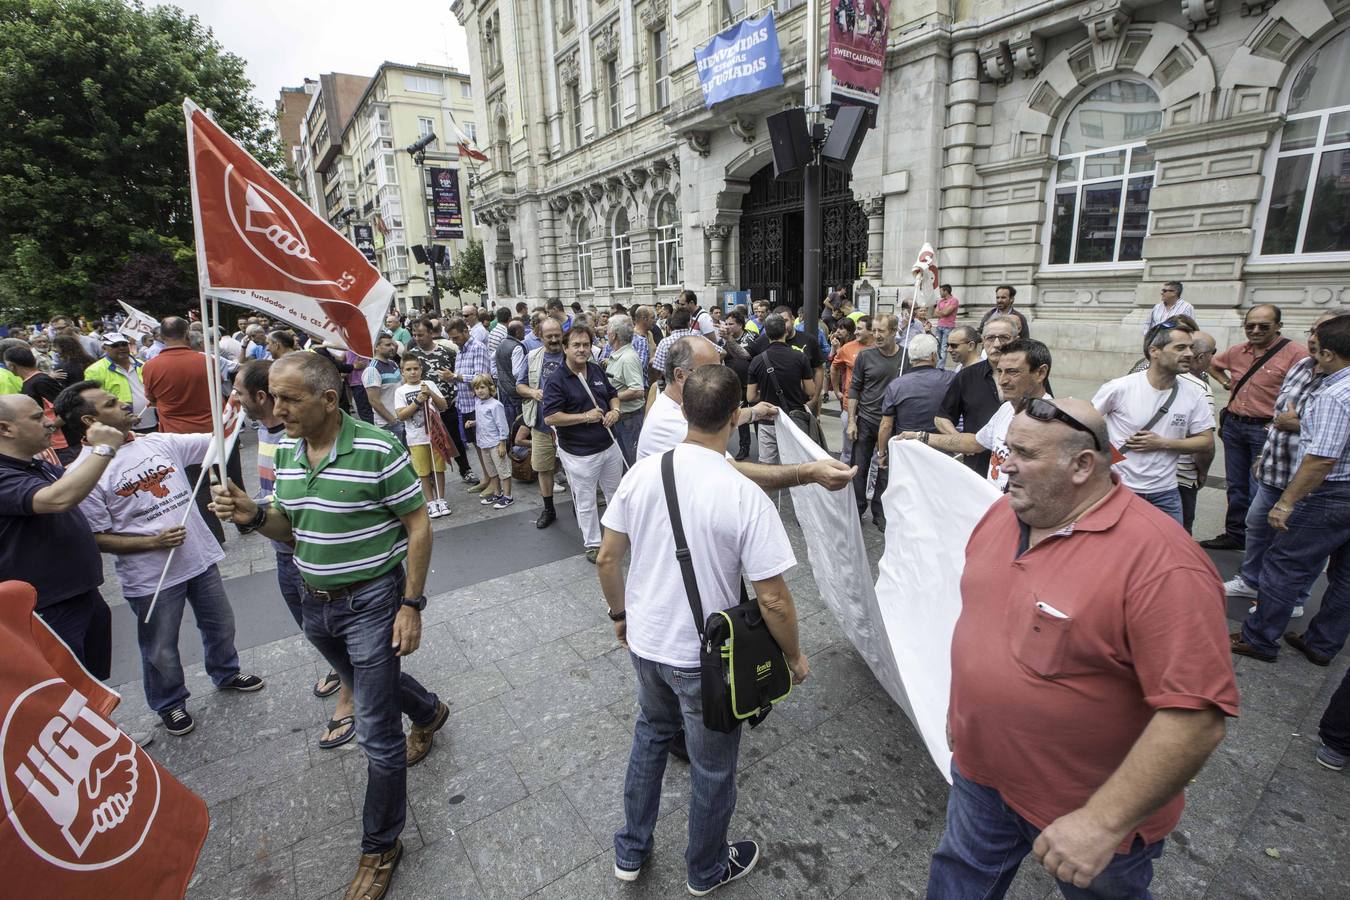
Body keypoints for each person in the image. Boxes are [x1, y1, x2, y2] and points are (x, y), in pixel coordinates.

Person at [928, 397, 1237, 899]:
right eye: (1008, 449)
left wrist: (1102, 822)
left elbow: (1197, 716)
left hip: (1082, 807)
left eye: (1025, 454)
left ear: (1082, 465)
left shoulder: (1164, 564)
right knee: (958, 875)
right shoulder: (1002, 514)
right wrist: (962, 710)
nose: (1006, 465)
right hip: (980, 776)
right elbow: (984, 622)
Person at [211, 351, 447, 900]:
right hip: (313, 602)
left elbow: (418, 525)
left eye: (289, 398)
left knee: (376, 730)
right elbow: (289, 529)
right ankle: (431, 711)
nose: (276, 407)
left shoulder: (376, 447)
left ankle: (381, 844)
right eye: (272, 396)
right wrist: (251, 514)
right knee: (371, 683)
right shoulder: (287, 450)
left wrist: (411, 604)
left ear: (328, 399)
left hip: (373, 600)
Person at [598, 364, 809, 895]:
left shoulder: (642, 473)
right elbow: (774, 599)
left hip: (646, 642)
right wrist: (796, 658)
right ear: (735, 416)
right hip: (703, 660)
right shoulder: (740, 492)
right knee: (713, 770)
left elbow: (607, 558)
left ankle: (630, 851)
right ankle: (705, 868)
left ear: (683, 409)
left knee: (649, 737)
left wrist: (621, 618)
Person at [56, 381, 263, 737]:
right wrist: (152, 542)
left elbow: (218, 442)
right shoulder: (80, 473)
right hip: (150, 577)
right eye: (110, 402)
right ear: (91, 420)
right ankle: (170, 702)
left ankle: (226, 672)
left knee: (220, 625)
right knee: (160, 646)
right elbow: (95, 538)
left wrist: (237, 399)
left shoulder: (157, 442)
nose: (123, 403)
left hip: (198, 560)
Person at [233, 359, 354, 749]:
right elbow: (280, 510)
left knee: (342, 633)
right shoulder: (280, 439)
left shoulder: (321, 440)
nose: (234, 399)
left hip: (314, 553)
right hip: (285, 547)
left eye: (239, 392)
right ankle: (347, 670)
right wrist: (254, 516)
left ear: (261, 396)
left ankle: (354, 695)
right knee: (314, 626)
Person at [1232, 314, 1350, 666]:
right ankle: (1322, 643)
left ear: (1328, 354)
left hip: (1330, 493)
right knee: (1345, 576)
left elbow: (1321, 458)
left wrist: (1286, 502)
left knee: (1285, 564)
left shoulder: (1335, 394)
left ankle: (1260, 638)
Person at [0, 394, 121, 681]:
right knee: (70, 688)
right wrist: (103, 449)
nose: (49, 423)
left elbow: (71, 480)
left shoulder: (34, 463)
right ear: (5, 429)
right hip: (47, 609)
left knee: (92, 684)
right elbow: (58, 498)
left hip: (81, 594)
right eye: (36, 418)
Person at [638, 336, 853, 493]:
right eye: (711, 372)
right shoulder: (670, 420)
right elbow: (734, 471)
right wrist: (807, 472)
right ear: (680, 375)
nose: (720, 378)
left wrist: (753, 413)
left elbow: (712, 421)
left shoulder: (677, 405)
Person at [1200, 304, 1309, 550]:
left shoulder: (1296, 354)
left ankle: (1256, 542)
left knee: (1259, 488)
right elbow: (1212, 364)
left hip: (1267, 430)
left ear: (1278, 326)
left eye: (1263, 326)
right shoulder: (1238, 351)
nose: (1256, 330)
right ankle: (1235, 534)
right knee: (1236, 486)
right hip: (1236, 426)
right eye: (1250, 326)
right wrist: (1226, 383)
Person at [1092, 323, 1215, 525]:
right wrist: (1108, 457)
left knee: (1171, 552)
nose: (1189, 354)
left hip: (1166, 494)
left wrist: (1163, 443)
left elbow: (1205, 441)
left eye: (1191, 348)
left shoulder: (1195, 393)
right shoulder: (1120, 388)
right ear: (1154, 351)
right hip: (1119, 490)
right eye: (1180, 348)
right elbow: (1085, 425)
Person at [143, 316, 244, 544]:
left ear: (161, 337)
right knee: (232, 476)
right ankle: (245, 521)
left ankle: (215, 535)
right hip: (216, 429)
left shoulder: (151, 366)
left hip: (180, 435)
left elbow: (151, 398)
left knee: (198, 487)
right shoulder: (206, 360)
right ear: (187, 334)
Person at [902, 339, 1051, 490]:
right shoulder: (1006, 409)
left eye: (1012, 372)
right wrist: (920, 437)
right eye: (1000, 371)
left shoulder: (1052, 423)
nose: (1002, 381)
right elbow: (975, 443)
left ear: (1040, 373)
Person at [543, 324, 625, 563]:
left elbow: (612, 394)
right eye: (576, 345)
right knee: (586, 500)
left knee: (614, 493)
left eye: (586, 345)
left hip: (609, 446)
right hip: (580, 453)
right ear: (566, 349)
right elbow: (550, 417)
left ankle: (616, 534)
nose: (582, 349)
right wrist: (584, 417)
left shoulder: (596, 369)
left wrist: (615, 411)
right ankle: (592, 544)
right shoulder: (556, 380)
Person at [935, 317, 1018, 477]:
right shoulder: (966, 376)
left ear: (1017, 340)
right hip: (977, 470)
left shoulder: (1030, 376)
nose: (997, 344)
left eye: (1004, 338)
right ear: (983, 341)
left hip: (1015, 472)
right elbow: (942, 417)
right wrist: (960, 441)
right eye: (990, 338)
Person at [875, 333, 955, 493]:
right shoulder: (951, 379)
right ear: (933, 355)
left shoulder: (896, 385)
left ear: (911, 358)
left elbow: (886, 425)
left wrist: (882, 453)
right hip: (941, 450)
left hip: (907, 452)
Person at [848, 314, 907, 527]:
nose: (876, 335)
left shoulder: (906, 358)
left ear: (893, 331)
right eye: (874, 330)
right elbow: (855, 387)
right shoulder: (865, 356)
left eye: (881, 331)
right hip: (866, 420)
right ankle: (856, 508)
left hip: (892, 424)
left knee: (885, 470)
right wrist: (852, 421)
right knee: (859, 468)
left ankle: (880, 512)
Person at [407, 318, 477, 484]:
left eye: (421, 334)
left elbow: (456, 374)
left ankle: (465, 470)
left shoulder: (447, 352)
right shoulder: (412, 356)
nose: (417, 338)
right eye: (414, 335)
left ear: (431, 333)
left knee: (456, 440)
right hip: (426, 410)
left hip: (448, 405)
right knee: (430, 443)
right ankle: (431, 476)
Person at [518, 318, 569, 529]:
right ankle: (548, 509)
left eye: (557, 335)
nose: (555, 339)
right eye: (550, 336)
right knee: (543, 469)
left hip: (569, 425)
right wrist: (533, 392)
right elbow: (519, 386)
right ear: (540, 336)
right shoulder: (532, 357)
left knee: (574, 470)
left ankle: (580, 506)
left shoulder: (572, 353)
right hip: (540, 425)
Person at [746, 315, 816, 465]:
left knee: (768, 468)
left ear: (766, 333)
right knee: (796, 467)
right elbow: (810, 391)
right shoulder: (800, 357)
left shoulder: (757, 361)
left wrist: (764, 393)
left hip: (768, 419)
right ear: (786, 331)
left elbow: (750, 397)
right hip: (793, 419)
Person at [393, 357, 451, 519]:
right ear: (402, 372)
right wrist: (417, 401)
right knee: (423, 472)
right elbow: (402, 415)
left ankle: (441, 499)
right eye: (408, 369)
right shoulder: (400, 391)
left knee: (438, 469)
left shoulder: (430, 384)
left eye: (416, 369)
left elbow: (443, 406)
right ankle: (430, 502)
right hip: (416, 438)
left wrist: (430, 392)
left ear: (421, 369)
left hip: (435, 436)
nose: (413, 372)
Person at [445, 316, 493, 492]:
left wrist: (455, 377)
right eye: (451, 338)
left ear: (466, 331)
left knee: (484, 445)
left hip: (477, 404)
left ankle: (493, 481)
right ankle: (487, 478)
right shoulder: (460, 350)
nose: (454, 341)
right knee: (475, 444)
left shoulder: (477, 348)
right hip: (464, 404)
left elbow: (481, 378)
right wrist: (451, 379)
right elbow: (460, 376)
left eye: (456, 337)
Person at [1176, 331, 1217, 534]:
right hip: (1180, 477)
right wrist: (1202, 472)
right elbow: (1204, 444)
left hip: (1135, 475)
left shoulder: (1135, 380)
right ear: (1201, 357)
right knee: (1178, 537)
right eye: (1213, 353)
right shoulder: (1200, 389)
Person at [84, 332, 157, 432]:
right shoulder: (95, 370)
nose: (121, 348)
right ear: (104, 348)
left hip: (153, 421)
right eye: (115, 346)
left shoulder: (141, 364)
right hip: (123, 427)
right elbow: (95, 403)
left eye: (124, 344)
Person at [605, 316, 646, 465]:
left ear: (614, 335)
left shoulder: (627, 358)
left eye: (607, 330)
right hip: (624, 420)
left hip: (629, 421)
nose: (606, 333)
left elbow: (637, 390)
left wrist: (611, 397)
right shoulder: (620, 355)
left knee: (631, 464)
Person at [831, 315, 873, 459]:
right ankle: (845, 480)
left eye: (859, 329)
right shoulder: (847, 348)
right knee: (848, 451)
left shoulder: (881, 348)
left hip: (873, 410)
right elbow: (834, 367)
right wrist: (836, 391)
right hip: (850, 409)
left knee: (872, 453)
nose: (855, 332)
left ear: (872, 331)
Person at [469, 373, 513, 509]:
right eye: (477, 388)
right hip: (483, 443)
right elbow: (485, 421)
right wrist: (474, 423)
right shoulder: (478, 403)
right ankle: (497, 492)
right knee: (492, 471)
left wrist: (502, 444)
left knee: (503, 471)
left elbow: (502, 425)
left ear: (490, 388)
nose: (480, 391)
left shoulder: (495, 405)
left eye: (482, 387)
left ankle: (508, 496)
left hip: (495, 443)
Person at [361, 332, 405, 444]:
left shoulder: (393, 364)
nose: (392, 347)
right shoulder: (372, 370)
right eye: (387, 345)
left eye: (392, 344)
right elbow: (374, 401)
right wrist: (393, 421)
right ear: (376, 347)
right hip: (389, 424)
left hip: (402, 419)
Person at [935, 285, 960, 367]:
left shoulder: (954, 300)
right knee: (937, 347)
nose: (940, 293)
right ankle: (937, 365)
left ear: (946, 291)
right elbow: (935, 313)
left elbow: (946, 313)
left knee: (943, 348)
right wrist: (943, 312)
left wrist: (941, 312)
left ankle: (940, 368)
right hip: (939, 326)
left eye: (941, 291)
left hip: (948, 327)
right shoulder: (940, 301)